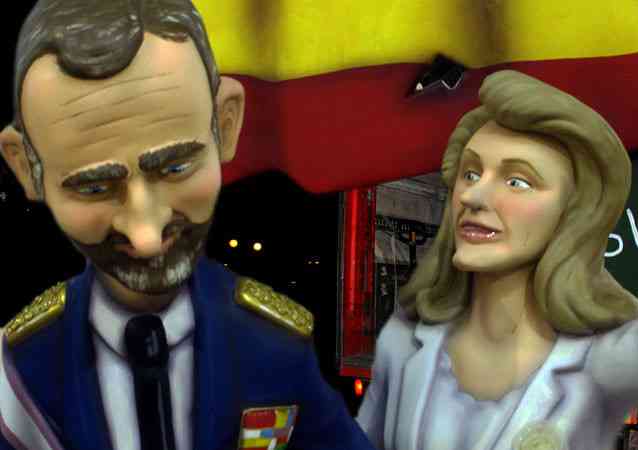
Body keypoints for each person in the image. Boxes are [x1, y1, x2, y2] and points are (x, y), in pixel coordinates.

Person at [0, 1, 376, 449]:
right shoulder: (23, 368)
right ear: (25, 169)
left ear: (226, 123)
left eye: (176, 168)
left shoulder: (273, 344)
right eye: (94, 188)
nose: (145, 237)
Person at [357, 69, 638, 450]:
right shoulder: (404, 344)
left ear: (575, 212)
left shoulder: (610, 358)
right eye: (471, 173)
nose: (472, 197)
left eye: (517, 181)